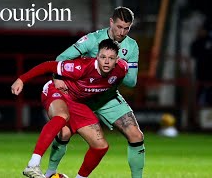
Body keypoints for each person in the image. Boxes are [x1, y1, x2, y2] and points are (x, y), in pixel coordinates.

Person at [46, 6, 145, 178]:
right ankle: (49, 173)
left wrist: (118, 65)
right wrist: (58, 76)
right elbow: (61, 59)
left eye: (126, 28)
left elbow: (131, 82)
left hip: (107, 97)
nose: (122, 32)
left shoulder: (131, 46)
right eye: (119, 26)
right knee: (65, 132)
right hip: (80, 97)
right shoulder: (92, 40)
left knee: (136, 135)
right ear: (111, 22)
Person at [11, 39, 128, 178]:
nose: (106, 62)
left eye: (111, 58)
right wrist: (21, 79)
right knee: (62, 117)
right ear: (97, 56)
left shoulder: (121, 70)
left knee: (100, 146)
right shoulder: (82, 67)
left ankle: (59, 176)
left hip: (77, 103)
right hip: (58, 91)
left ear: (117, 59)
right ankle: (33, 165)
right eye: (103, 57)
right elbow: (49, 66)